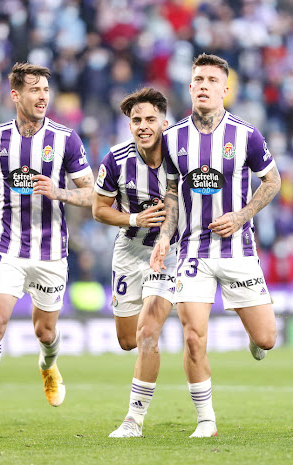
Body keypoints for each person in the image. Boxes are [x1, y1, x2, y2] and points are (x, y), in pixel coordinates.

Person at [0, 63, 94, 435]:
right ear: (16, 95)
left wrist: (57, 191)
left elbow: (93, 193)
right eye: (35, 89)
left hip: (50, 252)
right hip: (7, 245)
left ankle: (48, 365)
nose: (43, 96)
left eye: (46, 89)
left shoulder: (66, 139)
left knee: (45, 332)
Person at [150, 53, 281, 438]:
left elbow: (272, 181)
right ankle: (206, 419)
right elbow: (172, 196)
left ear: (225, 89)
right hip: (193, 252)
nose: (204, 85)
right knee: (193, 336)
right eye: (198, 79)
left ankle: (255, 342)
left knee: (267, 339)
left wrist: (240, 216)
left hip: (238, 249)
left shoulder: (246, 134)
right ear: (190, 88)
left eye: (211, 80)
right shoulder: (172, 138)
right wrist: (163, 239)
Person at [91, 87, 176, 438]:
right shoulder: (115, 159)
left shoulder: (180, 154)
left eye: (150, 119)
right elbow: (98, 209)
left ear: (164, 122)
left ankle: (134, 420)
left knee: (147, 334)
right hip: (129, 251)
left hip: (169, 253)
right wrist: (134, 220)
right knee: (128, 340)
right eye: (136, 120)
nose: (142, 125)